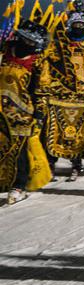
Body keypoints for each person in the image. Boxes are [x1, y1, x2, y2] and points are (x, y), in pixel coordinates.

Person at [37, 1, 84, 181]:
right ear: (70, 26)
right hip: (59, 93)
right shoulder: (60, 43)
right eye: (76, 25)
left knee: (80, 129)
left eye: (82, 25)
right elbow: (49, 63)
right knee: (53, 128)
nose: (79, 28)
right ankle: (50, 162)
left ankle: (76, 163)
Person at [0, 20, 51, 204]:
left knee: (19, 152)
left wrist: (39, 114)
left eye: (32, 43)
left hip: (22, 113)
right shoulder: (5, 51)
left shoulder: (37, 61)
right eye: (26, 40)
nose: (28, 45)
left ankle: (18, 185)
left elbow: (41, 90)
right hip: (0, 111)